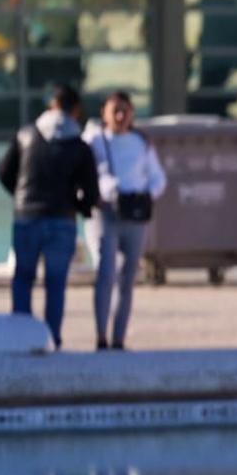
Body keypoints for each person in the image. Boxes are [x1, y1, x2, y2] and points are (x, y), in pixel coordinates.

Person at [0, 84, 98, 350]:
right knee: (55, 284)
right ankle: (51, 340)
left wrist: (21, 197)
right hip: (61, 221)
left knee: (23, 278)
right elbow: (91, 191)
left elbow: (4, 173)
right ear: (75, 110)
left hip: (26, 217)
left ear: (52, 105)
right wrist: (80, 207)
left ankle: (21, 337)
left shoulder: (26, 134)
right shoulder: (79, 145)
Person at [86, 91, 167, 351]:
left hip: (135, 215)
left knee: (128, 277)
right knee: (105, 273)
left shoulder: (141, 142)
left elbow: (158, 178)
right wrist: (102, 193)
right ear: (104, 113)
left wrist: (145, 196)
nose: (120, 116)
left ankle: (119, 338)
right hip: (107, 213)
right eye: (115, 110)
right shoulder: (94, 140)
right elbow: (86, 175)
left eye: (125, 110)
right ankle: (101, 335)